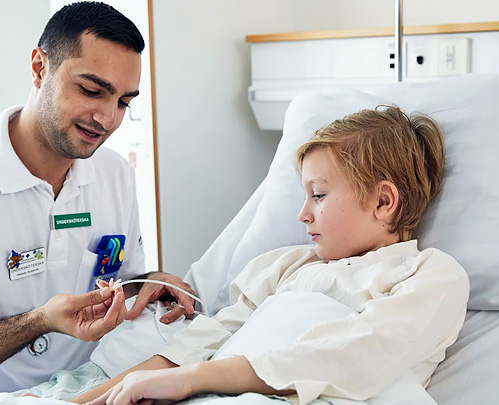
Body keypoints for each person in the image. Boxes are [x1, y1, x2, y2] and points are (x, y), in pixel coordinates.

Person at [71, 105, 470, 405]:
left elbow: (355, 355)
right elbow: (199, 345)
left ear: (383, 201)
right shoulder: (286, 266)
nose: (303, 214)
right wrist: (90, 399)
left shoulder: (429, 275)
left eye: (318, 195)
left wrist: (192, 379)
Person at [0, 1, 195, 393]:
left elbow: (123, 281)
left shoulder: (115, 174)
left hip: (95, 384)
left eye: (124, 102)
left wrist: (151, 283)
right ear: (40, 67)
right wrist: (40, 321)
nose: (108, 119)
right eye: (91, 90)